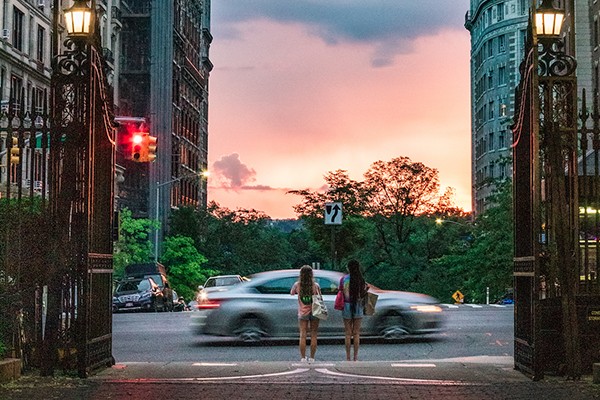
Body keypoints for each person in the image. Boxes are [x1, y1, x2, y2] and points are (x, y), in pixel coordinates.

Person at [290, 265, 322, 363]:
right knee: (314, 334)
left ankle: (303, 358)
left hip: (303, 312)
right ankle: (312, 358)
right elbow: (320, 297)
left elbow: (291, 293)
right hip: (315, 312)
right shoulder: (315, 285)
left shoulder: (297, 285)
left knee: (303, 334)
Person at [339, 259, 368, 361]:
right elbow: (363, 294)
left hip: (346, 306)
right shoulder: (361, 279)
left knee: (347, 333)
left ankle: (348, 357)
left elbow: (340, 291)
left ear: (349, 268)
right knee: (356, 333)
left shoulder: (344, 279)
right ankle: (355, 357)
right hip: (358, 306)